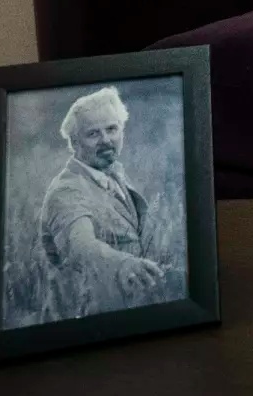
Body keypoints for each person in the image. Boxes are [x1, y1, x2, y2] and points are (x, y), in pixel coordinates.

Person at [37, 86, 165, 322]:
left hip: (127, 306)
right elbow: (80, 246)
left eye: (112, 129)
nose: (106, 140)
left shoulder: (111, 172)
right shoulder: (66, 191)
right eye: (93, 134)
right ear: (75, 142)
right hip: (87, 318)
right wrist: (125, 264)